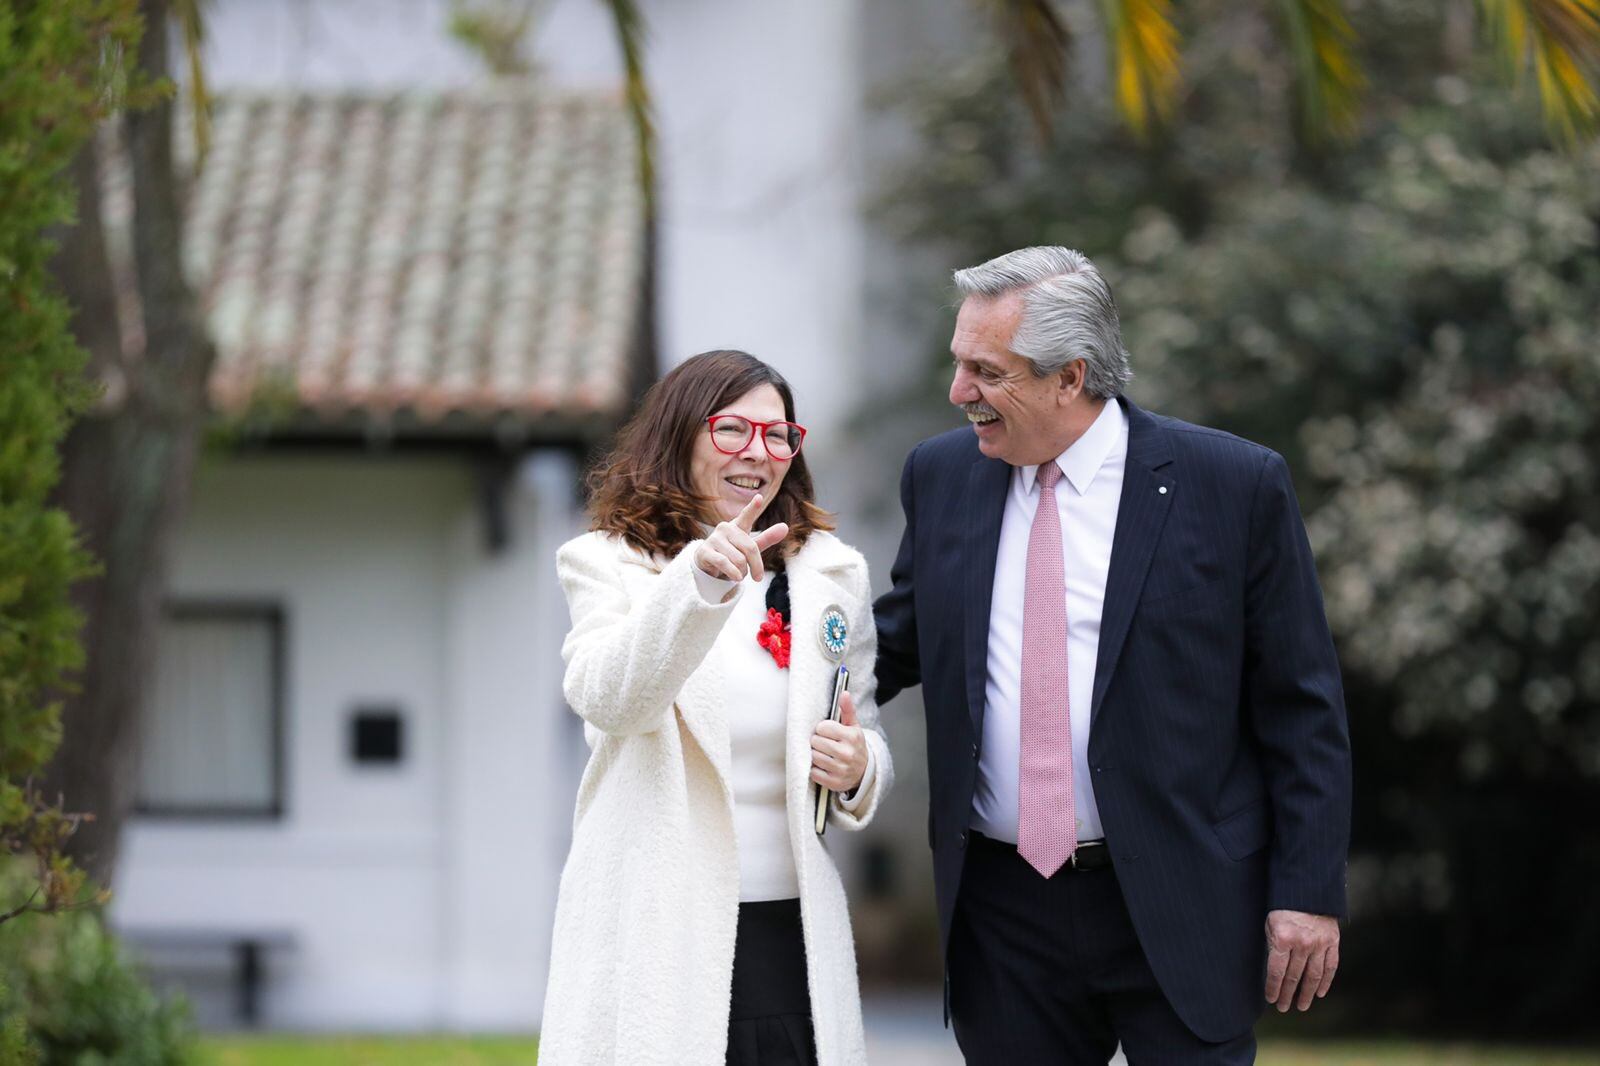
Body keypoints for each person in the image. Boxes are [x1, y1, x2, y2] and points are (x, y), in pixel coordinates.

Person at [872, 247, 1351, 1064]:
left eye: (986, 372)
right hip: (1002, 913)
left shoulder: (1233, 485)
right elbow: (895, 644)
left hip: (1183, 897)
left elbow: (1300, 706)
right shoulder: (942, 476)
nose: (959, 395)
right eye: (960, 365)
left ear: (1071, 376)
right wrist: (745, 656)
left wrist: (1305, 893)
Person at [541, 349, 892, 1066]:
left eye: (777, 436)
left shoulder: (831, 573)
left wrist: (860, 766)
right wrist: (695, 582)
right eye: (732, 431)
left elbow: (868, 730)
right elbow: (610, 700)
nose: (756, 455)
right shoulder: (609, 562)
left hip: (790, 939)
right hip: (658, 935)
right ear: (681, 436)